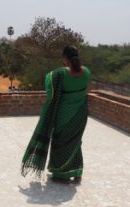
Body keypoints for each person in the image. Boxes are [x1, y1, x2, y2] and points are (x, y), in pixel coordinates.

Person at [21, 45, 91, 184]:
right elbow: (86, 91)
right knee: (75, 141)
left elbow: (50, 92)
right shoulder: (87, 72)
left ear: (65, 58)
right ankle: (77, 172)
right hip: (81, 113)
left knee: (61, 142)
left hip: (64, 114)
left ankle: (62, 174)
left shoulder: (60, 74)